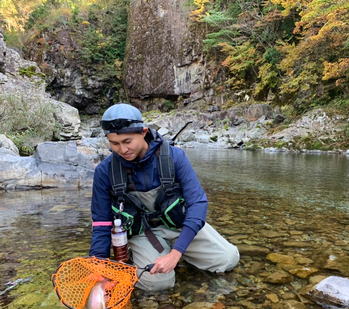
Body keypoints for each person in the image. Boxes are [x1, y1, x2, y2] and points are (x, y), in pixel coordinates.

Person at [89, 103, 240, 291]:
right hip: (142, 233)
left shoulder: (174, 157)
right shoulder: (105, 171)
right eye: (114, 144)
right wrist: (99, 265)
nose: (122, 149)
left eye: (128, 141)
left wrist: (176, 254)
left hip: (179, 226)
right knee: (158, 284)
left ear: (143, 132)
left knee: (228, 259)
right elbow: (101, 222)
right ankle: (140, 258)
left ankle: (175, 252)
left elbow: (198, 204)